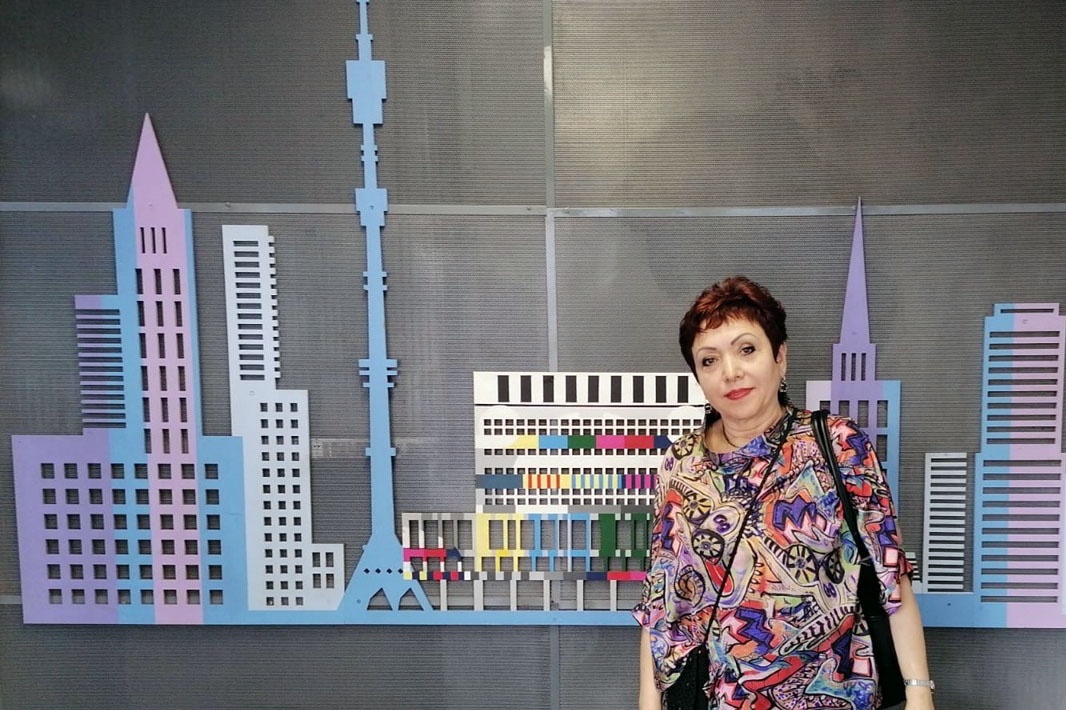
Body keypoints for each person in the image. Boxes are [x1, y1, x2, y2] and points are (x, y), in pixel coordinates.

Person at [634, 276, 934, 710]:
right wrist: (648, 700)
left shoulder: (838, 445)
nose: (730, 372)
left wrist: (919, 692)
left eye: (747, 349)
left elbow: (893, 578)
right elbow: (661, 601)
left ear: (780, 357)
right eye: (709, 360)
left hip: (831, 696)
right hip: (712, 698)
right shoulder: (680, 463)